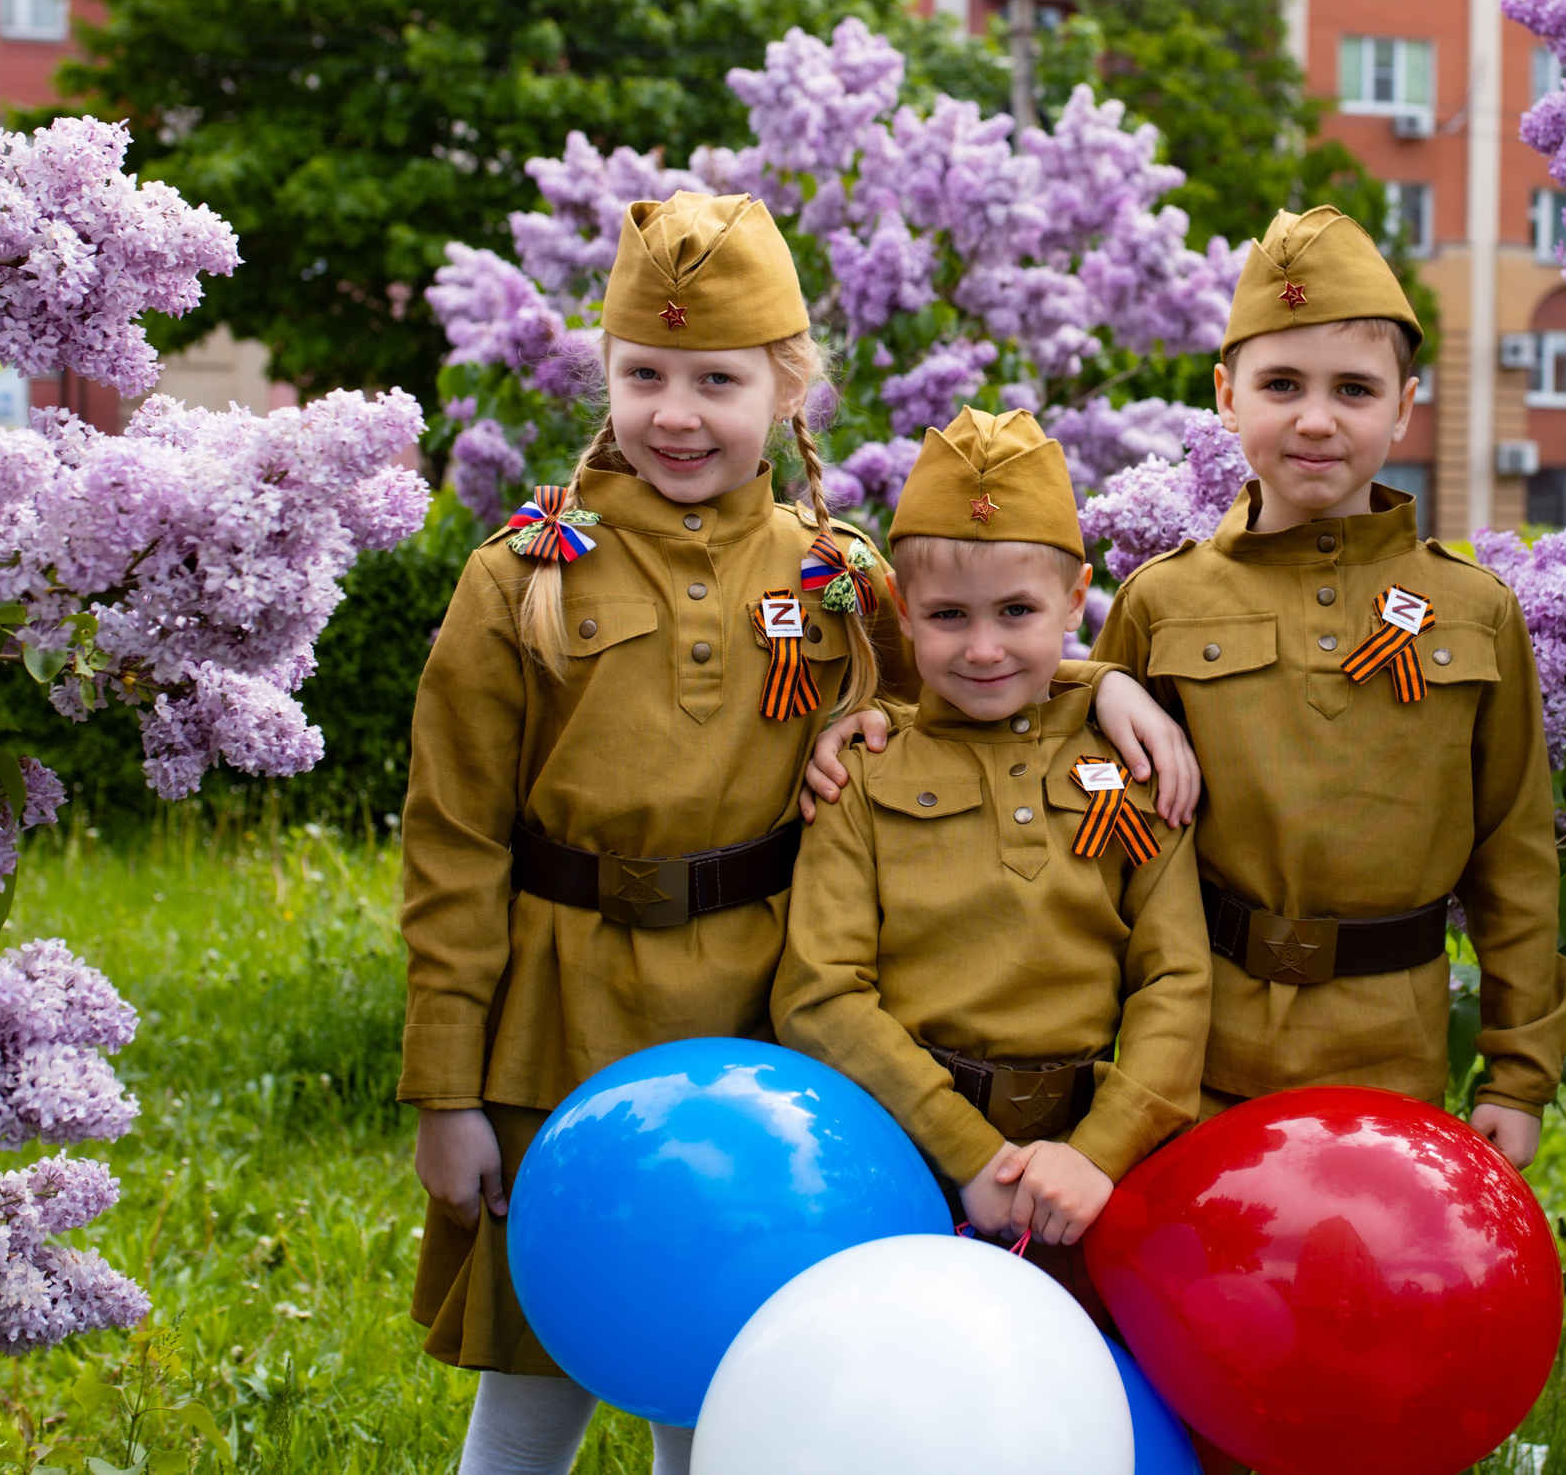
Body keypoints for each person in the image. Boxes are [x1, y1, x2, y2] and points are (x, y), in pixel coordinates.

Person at [397, 197, 1189, 1475]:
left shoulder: (836, 576)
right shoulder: (522, 578)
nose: (676, 411)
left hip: (757, 1022)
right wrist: (447, 1088)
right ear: (602, 373)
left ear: (788, 387)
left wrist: (1108, 683)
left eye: (717, 379)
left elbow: (976, 668)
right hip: (555, 1016)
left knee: (726, 1349)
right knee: (539, 1353)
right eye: (643, 373)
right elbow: (450, 844)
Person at [1092, 206, 1566, 1170]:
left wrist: (1518, 1073)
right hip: (1197, 1050)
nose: (1316, 418)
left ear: (1404, 407)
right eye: (1282, 384)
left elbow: (1515, 859)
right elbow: (1095, 829)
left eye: (1353, 390)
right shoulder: (1162, 602)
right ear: (1228, 398)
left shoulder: (1475, 611)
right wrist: (1097, 682)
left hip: (1391, 1057)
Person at [774, 407, 1210, 1306]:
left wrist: (1097, 1153)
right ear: (901, 606)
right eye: (946, 615)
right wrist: (967, 1153)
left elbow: (1175, 982)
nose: (982, 647)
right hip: (905, 1159)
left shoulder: (1130, 762)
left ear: (1075, 596)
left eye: (1017, 611)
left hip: (1091, 1177)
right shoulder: (861, 770)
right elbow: (820, 994)